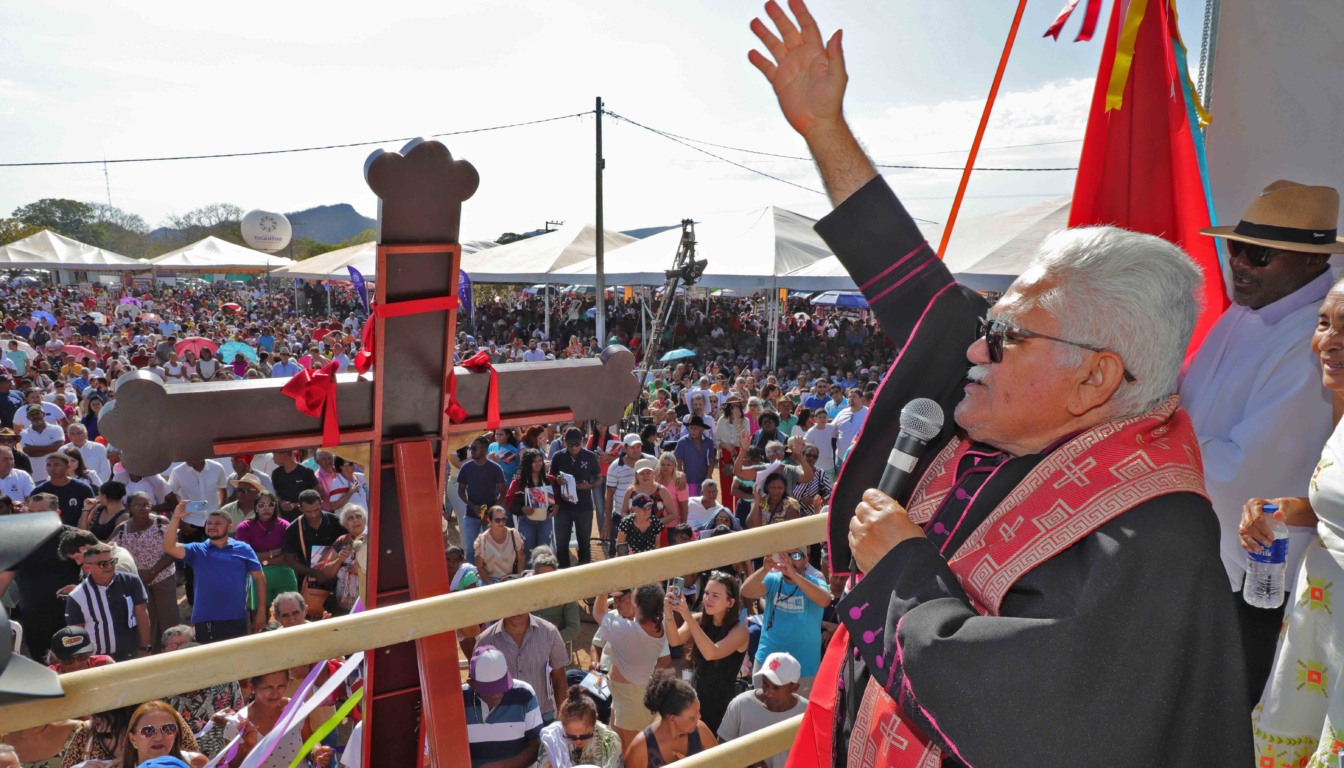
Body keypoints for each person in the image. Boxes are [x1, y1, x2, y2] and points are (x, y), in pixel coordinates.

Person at [748, 2, 1249, 764]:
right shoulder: (1029, 399)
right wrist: (824, 129)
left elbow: (1037, 720)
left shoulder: (1153, 539)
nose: (975, 350)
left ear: (1093, 379)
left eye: (1007, 335)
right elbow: (909, 280)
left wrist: (900, 567)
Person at [1180, 180, 1344, 701]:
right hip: (1207, 557)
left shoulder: (1312, 341)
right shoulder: (1242, 313)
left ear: (1312, 262)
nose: (1240, 263)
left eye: (1259, 253)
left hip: (1256, 580)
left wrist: (1151, 443)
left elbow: (1246, 477)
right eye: (1235, 247)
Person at [1241, 278, 1344, 763]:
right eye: (1324, 323)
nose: (1329, 341)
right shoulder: (1341, 399)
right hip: (1320, 619)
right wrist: (1280, 510)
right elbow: (1333, 503)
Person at [164, 503, 267, 643]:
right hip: (205, 619)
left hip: (236, 618)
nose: (212, 526)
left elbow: (259, 579)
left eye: (218, 523)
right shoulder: (197, 550)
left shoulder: (244, 549)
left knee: (236, 662)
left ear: (230, 527)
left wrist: (261, 611)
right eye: (209, 523)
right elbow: (169, 547)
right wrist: (176, 518)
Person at [663, 570, 749, 733]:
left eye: (715, 595)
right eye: (707, 593)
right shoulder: (698, 620)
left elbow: (712, 653)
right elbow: (674, 640)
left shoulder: (740, 631)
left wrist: (688, 616)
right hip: (695, 699)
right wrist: (668, 613)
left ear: (730, 603)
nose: (708, 599)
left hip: (721, 706)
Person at [590, 585, 672, 750]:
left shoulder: (626, 630)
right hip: (628, 696)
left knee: (632, 753)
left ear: (638, 605)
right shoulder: (659, 626)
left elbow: (598, 612)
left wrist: (602, 583)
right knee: (617, 747)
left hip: (630, 699)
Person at [475, 604, 570, 724]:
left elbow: (559, 677)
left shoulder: (550, 633)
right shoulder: (485, 640)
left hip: (542, 716)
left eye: (520, 603)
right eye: (510, 603)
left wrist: (562, 720)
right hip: (500, 720)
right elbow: (478, 685)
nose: (516, 609)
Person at [223, 670, 335, 768]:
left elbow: (308, 740)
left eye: (281, 686)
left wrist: (316, 752)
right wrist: (251, 747)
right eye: (268, 687)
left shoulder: (296, 708)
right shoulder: (238, 723)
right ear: (252, 687)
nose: (275, 693)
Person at [110, 492, 177, 651]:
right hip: (138, 581)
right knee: (148, 620)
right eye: (138, 505)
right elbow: (111, 550)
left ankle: (175, 651)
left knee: (169, 618)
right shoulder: (121, 529)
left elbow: (174, 551)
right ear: (129, 507)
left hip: (163, 576)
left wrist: (152, 572)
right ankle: (152, 655)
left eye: (146, 504)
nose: (143, 508)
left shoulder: (161, 523)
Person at [716, 652, 808, 768]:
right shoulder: (740, 704)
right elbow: (721, 748)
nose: (768, 692)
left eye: (776, 687)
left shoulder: (807, 714)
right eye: (765, 683)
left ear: (794, 688)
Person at [65, 542, 152, 662]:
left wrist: (145, 648)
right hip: (97, 659)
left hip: (132, 654)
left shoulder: (132, 582)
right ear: (87, 567)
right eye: (103, 564)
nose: (110, 566)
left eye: (112, 561)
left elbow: (142, 615)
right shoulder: (77, 596)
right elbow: (76, 633)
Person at [462, 645, 542, 768]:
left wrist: (500, 766)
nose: (497, 694)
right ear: (472, 683)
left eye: (501, 686)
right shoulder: (459, 700)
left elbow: (537, 746)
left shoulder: (525, 694)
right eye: (490, 690)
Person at [621, 669, 717, 768]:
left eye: (698, 712)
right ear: (672, 719)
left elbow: (723, 763)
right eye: (692, 717)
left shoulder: (701, 730)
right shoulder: (640, 749)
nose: (699, 717)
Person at [280, 489, 342, 618]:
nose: (313, 515)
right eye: (308, 511)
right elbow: (289, 559)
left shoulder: (337, 522)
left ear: (322, 504)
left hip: (338, 581)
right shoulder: (293, 528)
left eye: (316, 510)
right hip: (310, 586)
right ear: (300, 508)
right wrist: (314, 573)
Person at [233, 491, 296, 612]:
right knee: (258, 615)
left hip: (283, 572)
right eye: (261, 505)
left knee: (290, 611)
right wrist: (274, 553)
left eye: (270, 505)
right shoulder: (245, 527)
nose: (266, 509)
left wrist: (263, 559)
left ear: (275, 506)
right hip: (256, 574)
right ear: (256, 508)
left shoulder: (285, 525)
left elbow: (288, 556)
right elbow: (246, 557)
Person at [548, 427, 600, 569]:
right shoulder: (558, 456)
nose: (574, 448)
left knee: (584, 542)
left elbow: (599, 479)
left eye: (577, 444)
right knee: (562, 543)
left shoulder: (590, 456)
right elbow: (550, 478)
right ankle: (564, 573)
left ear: (582, 442)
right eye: (571, 445)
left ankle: (584, 573)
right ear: (564, 442)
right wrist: (557, 480)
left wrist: (589, 486)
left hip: (584, 506)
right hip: (563, 506)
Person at [536, 685, 622, 768]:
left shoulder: (610, 741)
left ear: (595, 721)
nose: (578, 741)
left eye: (585, 736)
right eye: (570, 736)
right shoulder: (552, 739)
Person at [457, 436, 508, 564]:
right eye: (470, 448)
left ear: (484, 449)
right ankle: (472, 577)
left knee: (491, 547)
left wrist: (492, 511)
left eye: (474, 448)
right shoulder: (466, 468)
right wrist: (472, 506)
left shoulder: (495, 468)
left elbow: (503, 492)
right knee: (470, 549)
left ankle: (491, 575)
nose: (471, 451)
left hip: (489, 517)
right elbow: (460, 491)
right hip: (470, 515)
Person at [505, 448, 556, 557]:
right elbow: (509, 502)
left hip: (545, 521)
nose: (538, 464)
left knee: (543, 556)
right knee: (528, 555)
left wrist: (556, 506)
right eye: (534, 461)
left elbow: (557, 499)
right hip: (526, 522)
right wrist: (522, 509)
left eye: (540, 460)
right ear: (528, 463)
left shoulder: (550, 480)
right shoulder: (518, 482)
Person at [528, 546, 581, 646]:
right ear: (534, 575)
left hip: (554, 643)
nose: (549, 581)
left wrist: (550, 640)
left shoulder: (567, 594)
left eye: (552, 577)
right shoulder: (523, 590)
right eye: (545, 577)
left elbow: (574, 628)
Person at [474, 506, 525, 584]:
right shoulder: (482, 540)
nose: (501, 523)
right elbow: (480, 567)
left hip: (511, 578)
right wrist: (491, 585)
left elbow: (521, 558)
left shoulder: (513, 535)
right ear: (489, 521)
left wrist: (518, 578)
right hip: (490, 580)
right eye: (497, 520)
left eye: (504, 519)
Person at [673, 416, 714, 497]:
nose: (692, 431)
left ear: (701, 429)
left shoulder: (709, 443)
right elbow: (678, 463)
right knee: (690, 506)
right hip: (688, 482)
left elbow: (711, 462)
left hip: (704, 481)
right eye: (691, 428)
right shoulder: (682, 442)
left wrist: (707, 478)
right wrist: (682, 477)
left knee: (704, 506)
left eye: (696, 428)